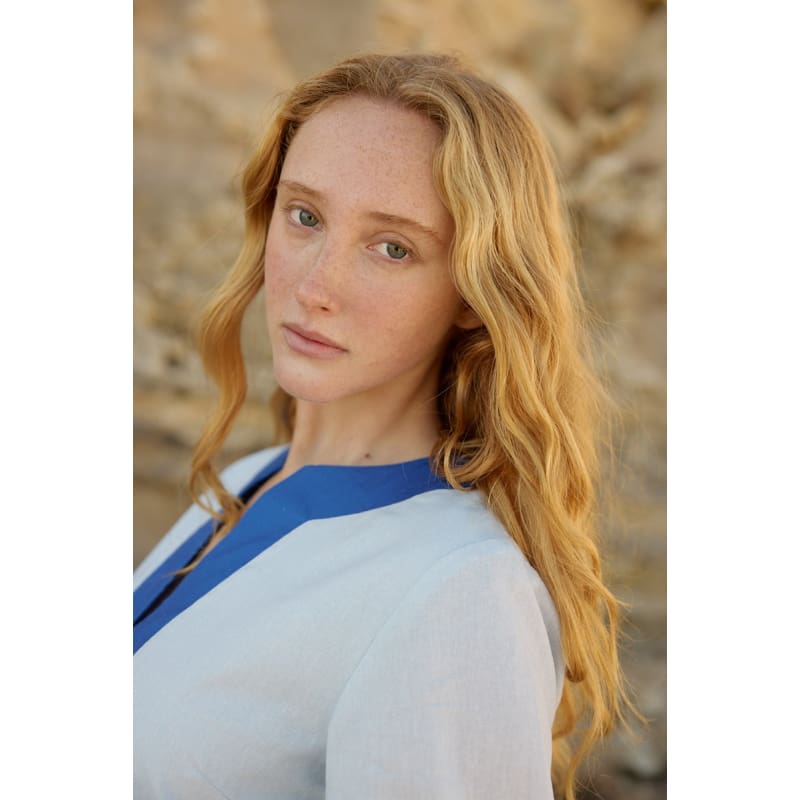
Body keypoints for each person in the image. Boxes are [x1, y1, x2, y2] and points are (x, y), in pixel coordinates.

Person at [133, 53, 629, 799]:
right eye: (305, 216)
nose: (315, 285)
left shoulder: (462, 590)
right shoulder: (247, 480)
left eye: (393, 247)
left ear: (475, 293)